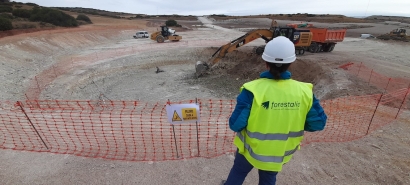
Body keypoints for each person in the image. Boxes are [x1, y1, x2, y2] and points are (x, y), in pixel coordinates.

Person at [221, 36, 327, 185]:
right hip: (279, 153)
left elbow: (235, 124)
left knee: (238, 172)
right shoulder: (305, 91)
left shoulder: (252, 90)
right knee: (268, 179)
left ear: (266, 63)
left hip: (250, 150)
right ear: (290, 63)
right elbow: (318, 124)